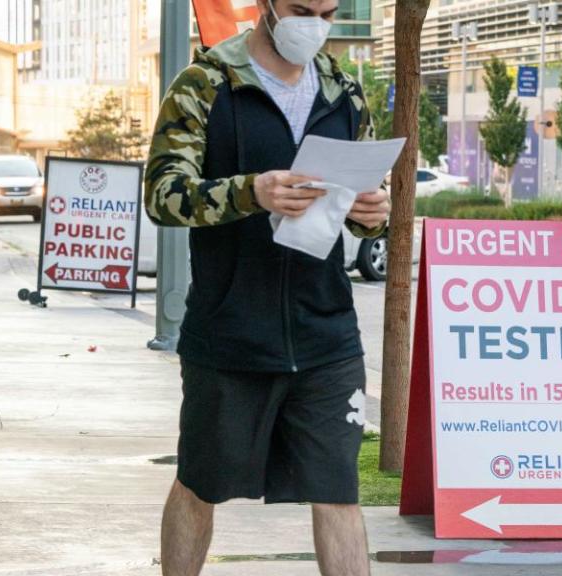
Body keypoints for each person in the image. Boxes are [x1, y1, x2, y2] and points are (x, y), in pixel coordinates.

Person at [144, 0, 390, 574]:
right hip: (229, 335)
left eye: (328, 12)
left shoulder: (344, 92)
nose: (317, 24)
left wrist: (374, 213)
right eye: (303, 9)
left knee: (338, 491)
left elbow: (359, 205)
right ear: (266, 6)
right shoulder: (205, 84)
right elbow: (162, 195)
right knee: (199, 484)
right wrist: (250, 192)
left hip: (326, 334)